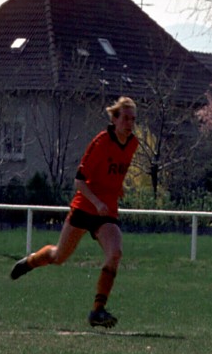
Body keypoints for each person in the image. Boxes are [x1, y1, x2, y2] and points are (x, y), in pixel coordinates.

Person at [10, 96, 139, 328]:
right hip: (85, 206)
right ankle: (30, 261)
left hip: (106, 211)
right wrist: (96, 202)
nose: (130, 123)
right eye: (125, 118)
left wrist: (117, 188)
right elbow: (79, 181)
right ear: (114, 119)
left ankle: (97, 310)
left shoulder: (133, 144)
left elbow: (112, 172)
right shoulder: (101, 142)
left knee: (115, 253)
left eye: (133, 119)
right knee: (59, 257)